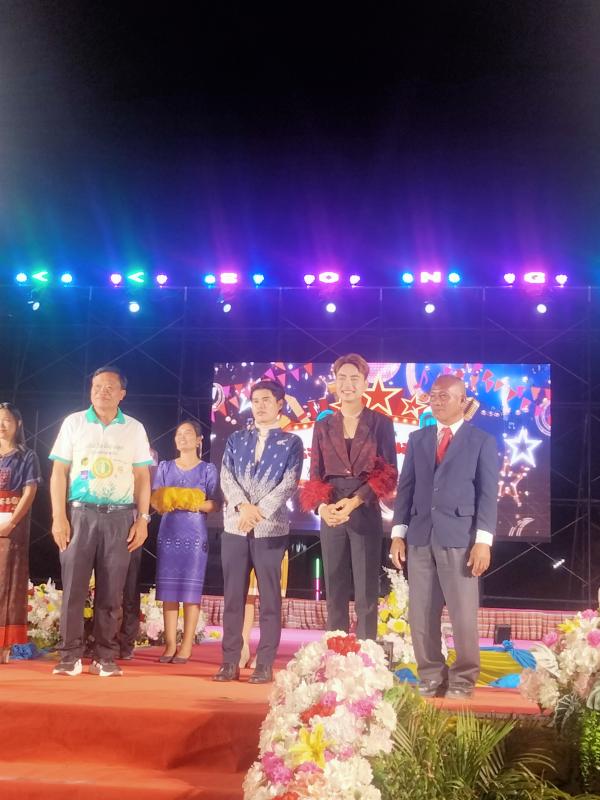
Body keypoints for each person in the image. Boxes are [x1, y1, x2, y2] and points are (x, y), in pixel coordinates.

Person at [390, 374, 499, 699]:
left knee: (463, 614)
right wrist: (398, 534)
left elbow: (488, 495)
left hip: (460, 539)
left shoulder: (481, 441)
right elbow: (406, 488)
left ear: (463, 400)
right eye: (433, 396)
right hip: (420, 536)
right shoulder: (418, 438)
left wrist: (483, 542)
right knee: (421, 614)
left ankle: (463, 679)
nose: (436, 402)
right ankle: (431, 676)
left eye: (444, 396)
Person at [49, 365, 153, 677]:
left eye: (109, 387)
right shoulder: (74, 423)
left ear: (122, 393)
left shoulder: (134, 428)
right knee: (74, 589)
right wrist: (58, 517)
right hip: (80, 514)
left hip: (120, 517)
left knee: (112, 592)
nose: (102, 392)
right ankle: (69, 655)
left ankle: (105, 655)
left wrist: (143, 519)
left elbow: (142, 476)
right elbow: (59, 472)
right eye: (97, 387)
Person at [301, 354, 397, 640]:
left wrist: (355, 501)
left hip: (364, 507)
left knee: (367, 588)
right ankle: (336, 648)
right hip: (332, 510)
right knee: (335, 586)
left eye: (354, 378)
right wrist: (322, 507)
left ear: (365, 384)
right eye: (342, 378)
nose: (348, 384)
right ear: (335, 382)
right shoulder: (323, 425)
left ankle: (366, 651)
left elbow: (388, 472)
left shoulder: (380, 422)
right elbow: (315, 473)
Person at [214, 379, 303, 684]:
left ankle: (264, 663)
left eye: (266, 400)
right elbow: (226, 476)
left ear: (280, 404)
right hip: (235, 527)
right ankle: (229, 661)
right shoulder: (236, 438)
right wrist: (242, 507)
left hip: (271, 529)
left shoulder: (291, 443)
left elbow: (290, 482)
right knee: (233, 598)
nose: (260, 405)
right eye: (255, 400)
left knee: (269, 600)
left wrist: (259, 511)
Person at [150, 421, 220, 663]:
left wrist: (191, 502)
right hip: (169, 532)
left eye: (188, 433)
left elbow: (215, 504)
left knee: (190, 593)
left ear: (199, 440)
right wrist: (166, 500)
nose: (182, 437)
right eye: (179, 434)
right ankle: (170, 644)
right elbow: (156, 501)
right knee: (168, 592)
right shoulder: (165, 467)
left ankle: (187, 644)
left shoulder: (208, 469)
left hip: (194, 535)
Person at [0, 403, 42, 663]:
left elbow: (30, 491)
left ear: (18, 424)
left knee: (7, 581)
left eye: (6, 420)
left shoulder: (27, 456)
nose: (1, 425)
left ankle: (4, 645)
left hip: (12, 524)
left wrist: (12, 522)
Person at [118, 447, 159, 660]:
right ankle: (101, 637)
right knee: (105, 585)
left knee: (130, 585)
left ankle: (126, 642)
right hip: (108, 521)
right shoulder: (112, 450)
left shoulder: (148, 454)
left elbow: (149, 487)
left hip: (133, 523)